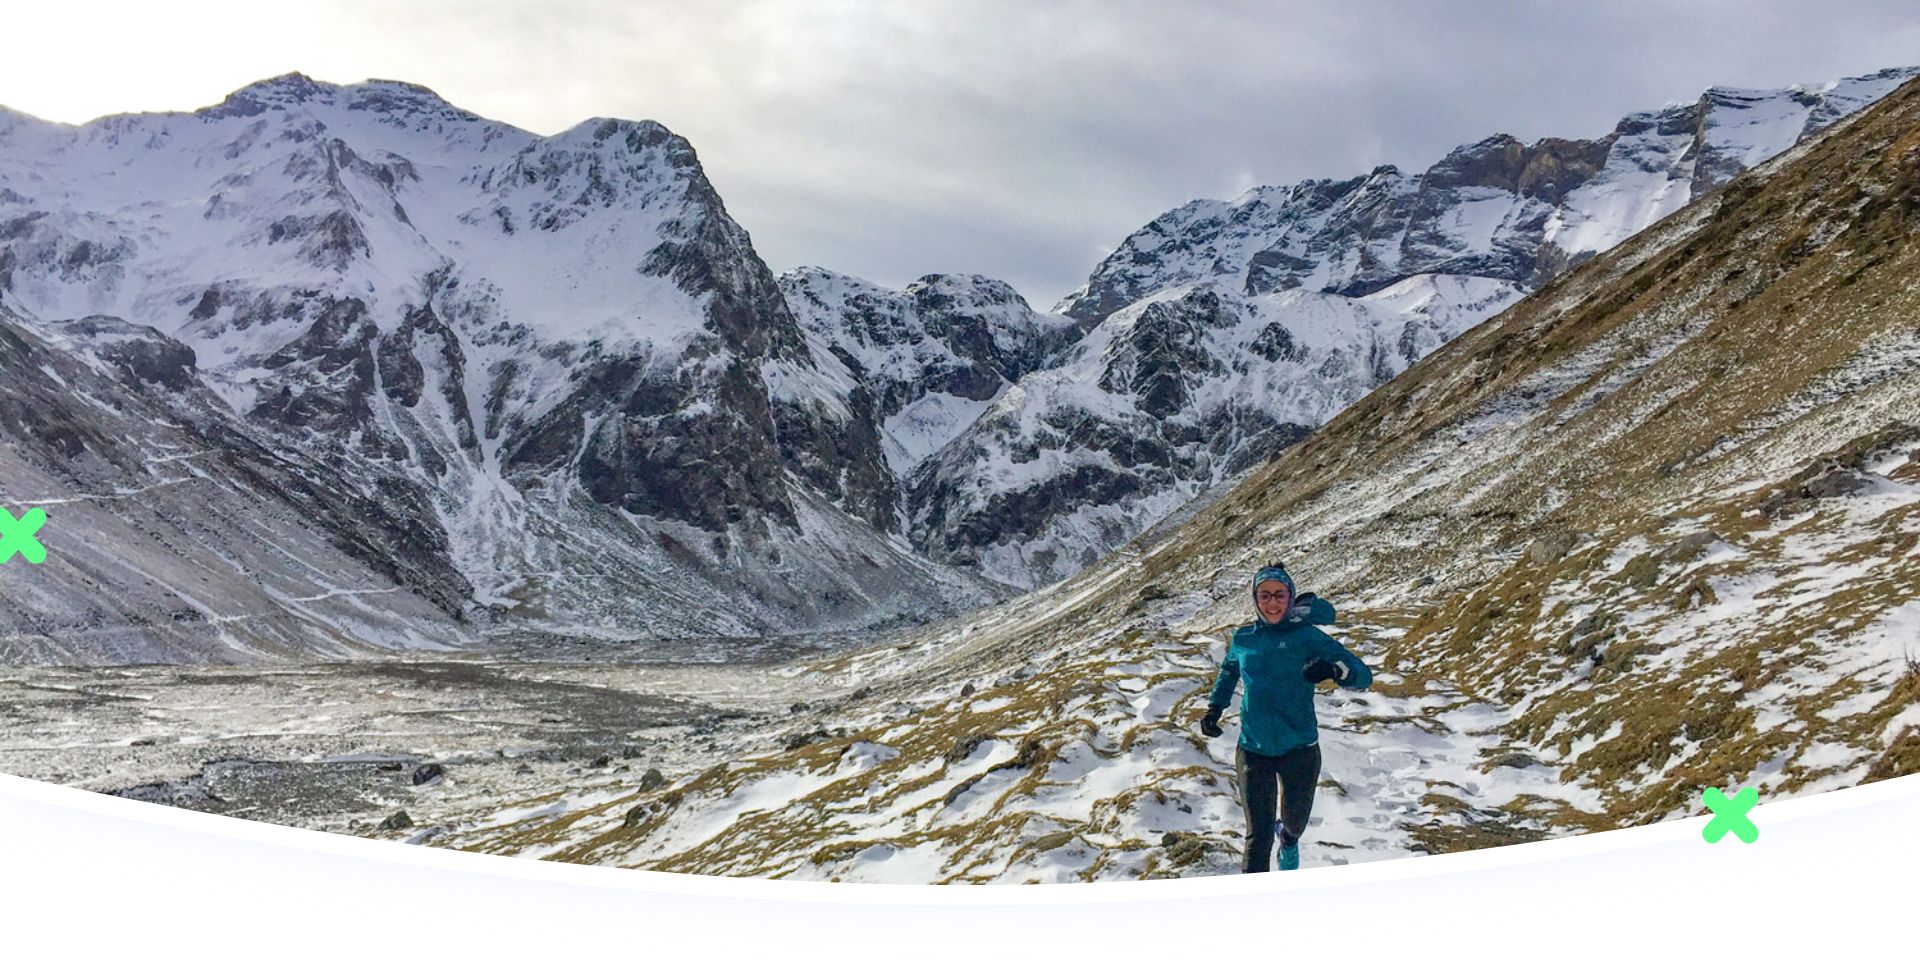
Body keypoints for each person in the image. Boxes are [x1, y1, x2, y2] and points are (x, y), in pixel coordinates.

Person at [1199, 562, 1371, 872]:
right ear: (1255, 599)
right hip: (1253, 748)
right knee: (1257, 836)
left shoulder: (1307, 637)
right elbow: (1229, 670)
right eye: (1264, 595)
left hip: (1300, 748)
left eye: (1279, 594)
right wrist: (1215, 708)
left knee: (1294, 823)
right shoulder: (1244, 637)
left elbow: (1362, 675)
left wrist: (1333, 671)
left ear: (1290, 597)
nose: (1272, 602)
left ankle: (1289, 842)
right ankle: (1260, 909)